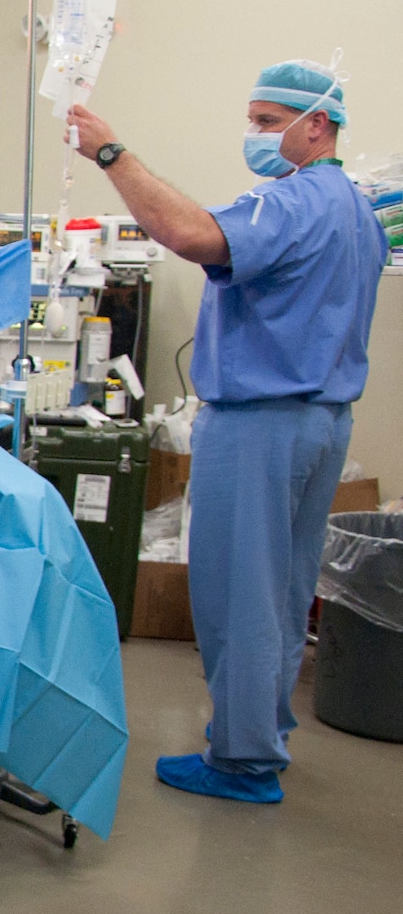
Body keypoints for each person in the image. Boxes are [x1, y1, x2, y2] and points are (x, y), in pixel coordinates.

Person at [67, 56, 384, 804]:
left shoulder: (293, 202)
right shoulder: (357, 211)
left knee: (239, 590)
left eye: (269, 123)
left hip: (260, 426)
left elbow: (187, 231)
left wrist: (112, 152)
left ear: (320, 125)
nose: (256, 135)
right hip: (322, 423)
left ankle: (241, 759)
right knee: (280, 591)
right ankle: (261, 732)